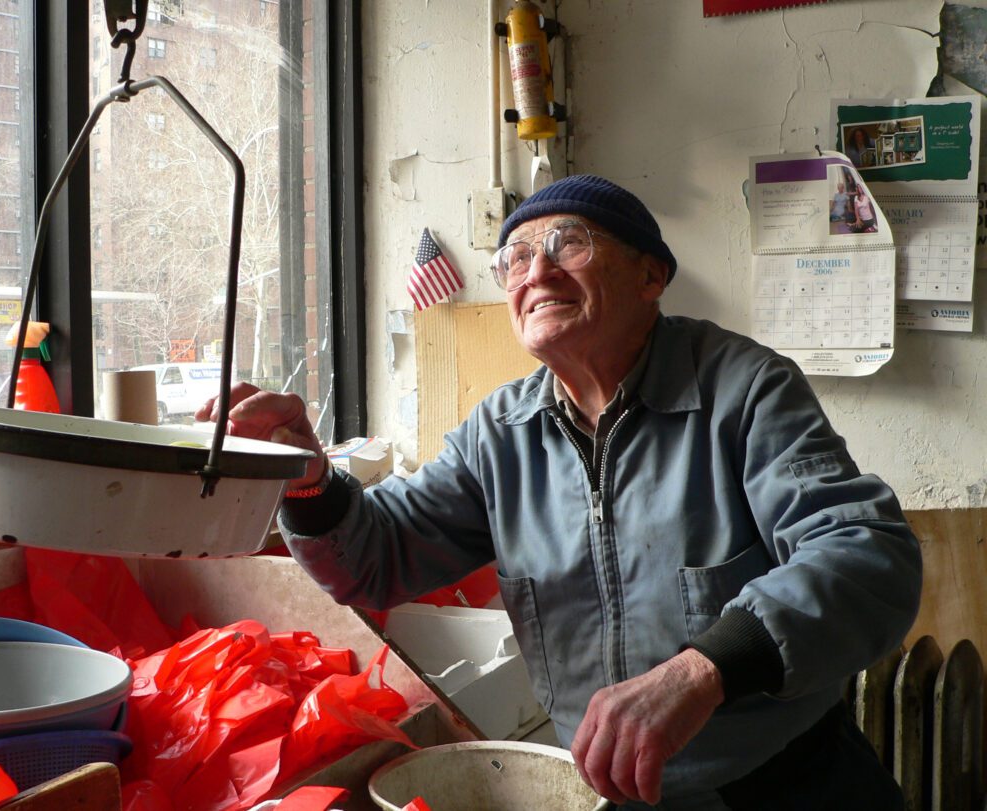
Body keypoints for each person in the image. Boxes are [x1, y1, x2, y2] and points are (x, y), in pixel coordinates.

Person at [198, 175, 921, 810]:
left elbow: (867, 553)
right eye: (513, 257)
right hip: (608, 795)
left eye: (567, 244)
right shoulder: (499, 434)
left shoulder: (743, 390)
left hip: (784, 784)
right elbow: (377, 556)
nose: (533, 270)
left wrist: (702, 671)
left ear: (650, 275)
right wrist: (309, 480)